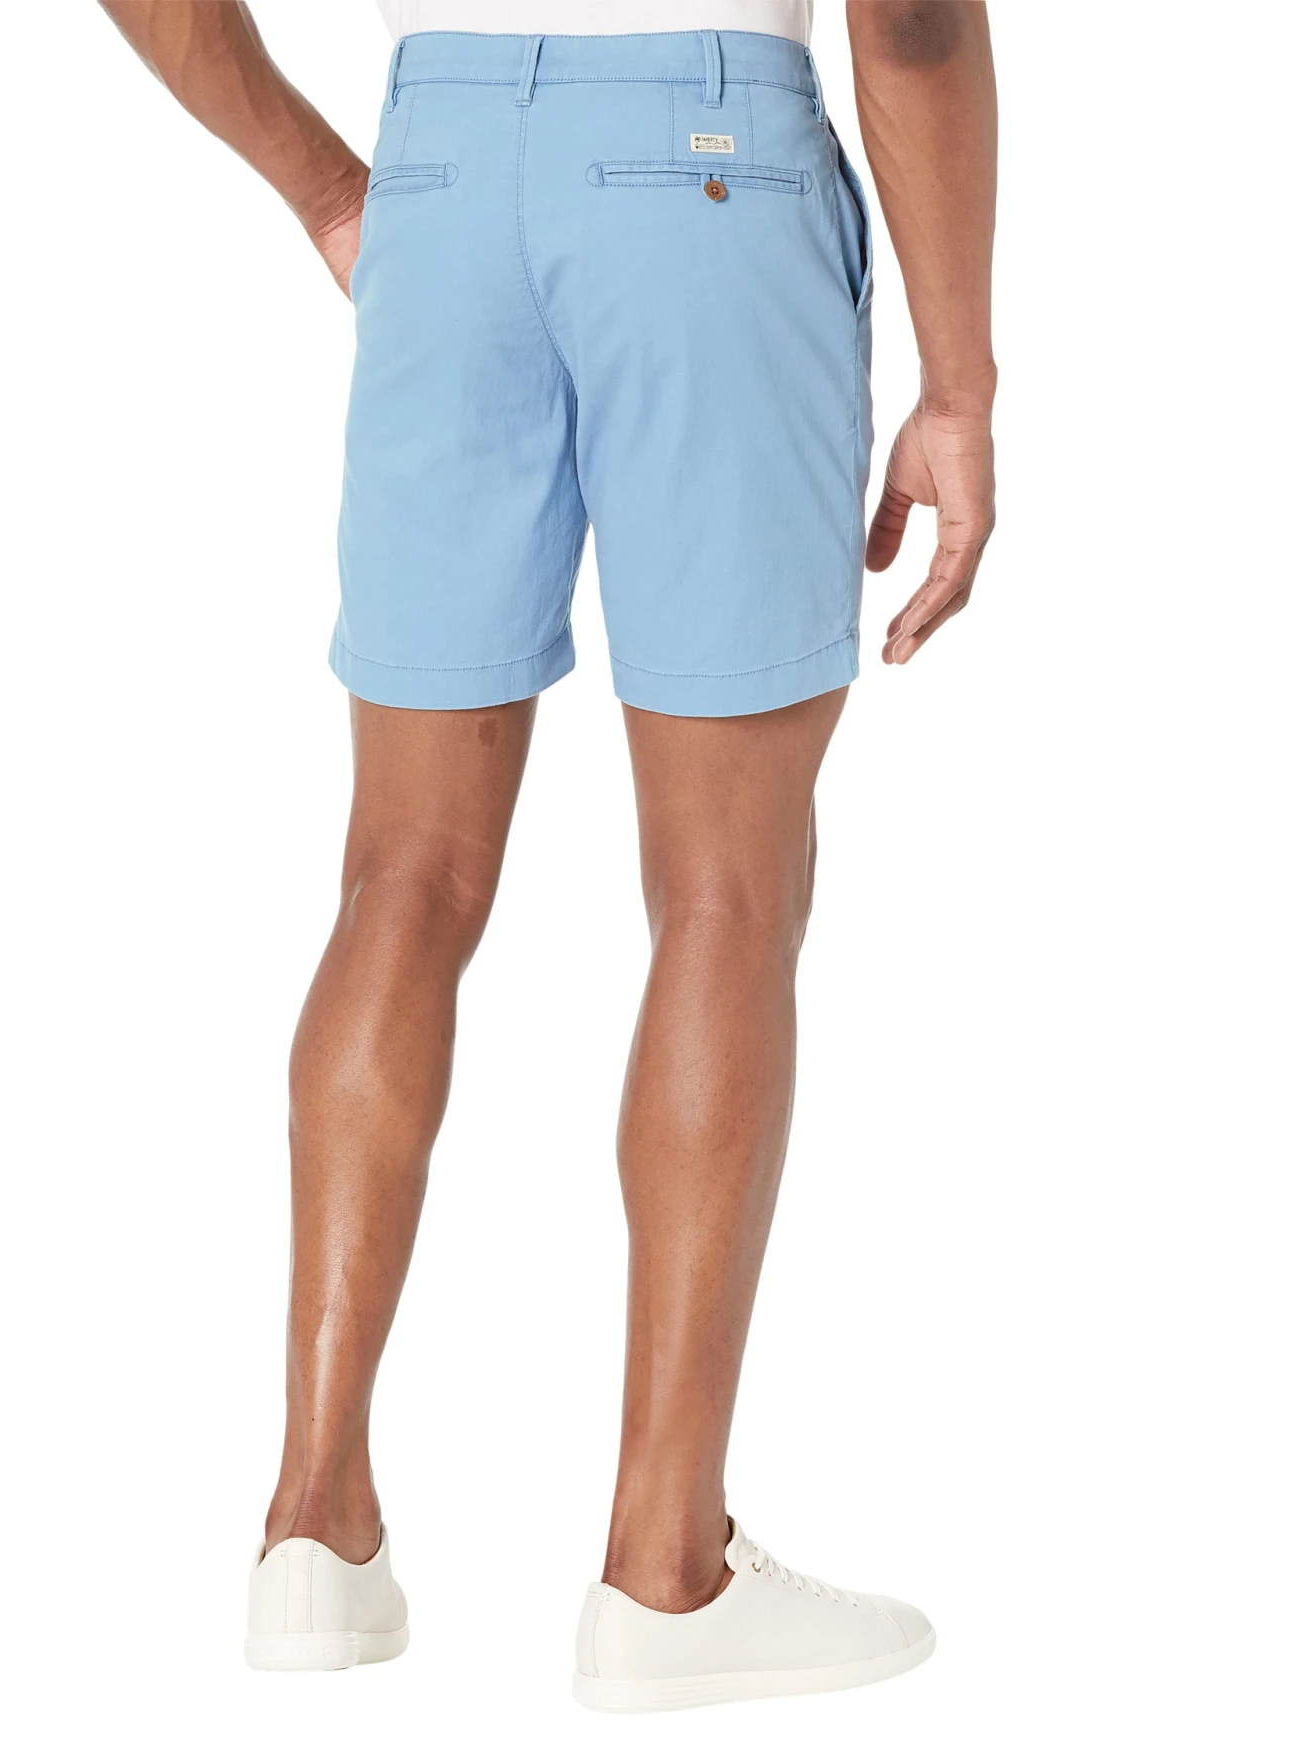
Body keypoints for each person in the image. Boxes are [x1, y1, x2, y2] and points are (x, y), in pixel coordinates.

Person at [99, 0, 996, 1713]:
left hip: (443, 168)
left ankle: (314, 1527)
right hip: (709, 161)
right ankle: (666, 1572)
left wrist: (330, 186)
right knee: (727, 890)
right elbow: (911, 25)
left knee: (402, 873)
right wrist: (960, 379)